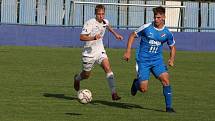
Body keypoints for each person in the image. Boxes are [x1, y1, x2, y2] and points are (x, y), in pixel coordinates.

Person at [123, 6, 176, 112]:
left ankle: (169, 107)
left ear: (164, 17)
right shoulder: (147, 27)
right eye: (155, 17)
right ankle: (136, 83)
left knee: (166, 80)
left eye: (158, 17)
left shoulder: (167, 33)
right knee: (143, 89)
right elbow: (132, 35)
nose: (156, 19)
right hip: (143, 60)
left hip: (157, 60)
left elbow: (172, 47)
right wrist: (128, 51)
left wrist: (171, 59)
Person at [74, 4, 123, 101]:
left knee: (108, 68)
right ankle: (77, 78)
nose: (101, 16)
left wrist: (116, 35)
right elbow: (81, 37)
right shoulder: (89, 23)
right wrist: (93, 37)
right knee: (86, 75)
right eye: (99, 14)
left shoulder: (105, 21)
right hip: (89, 53)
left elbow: (108, 26)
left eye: (103, 14)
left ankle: (114, 93)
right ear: (95, 14)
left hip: (100, 51)